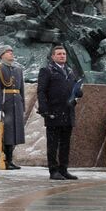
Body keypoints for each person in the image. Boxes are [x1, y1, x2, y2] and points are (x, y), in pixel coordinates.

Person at [36, 44, 82, 180]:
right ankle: (53, 170)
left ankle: (63, 169)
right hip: (53, 112)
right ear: (53, 56)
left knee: (65, 144)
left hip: (68, 112)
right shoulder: (47, 70)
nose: (62, 56)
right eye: (59, 54)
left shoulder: (70, 71)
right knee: (53, 144)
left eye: (64, 54)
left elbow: (75, 88)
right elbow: (41, 91)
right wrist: (44, 109)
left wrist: (79, 92)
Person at [0, 45, 26, 170]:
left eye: (11, 51)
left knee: (14, 133)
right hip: (6, 104)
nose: (11, 53)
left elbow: (21, 89)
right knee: (4, 133)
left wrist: (23, 107)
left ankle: (10, 160)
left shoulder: (18, 69)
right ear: (2, 55)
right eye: (8, 52)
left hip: (17, 104)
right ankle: (3, 159)